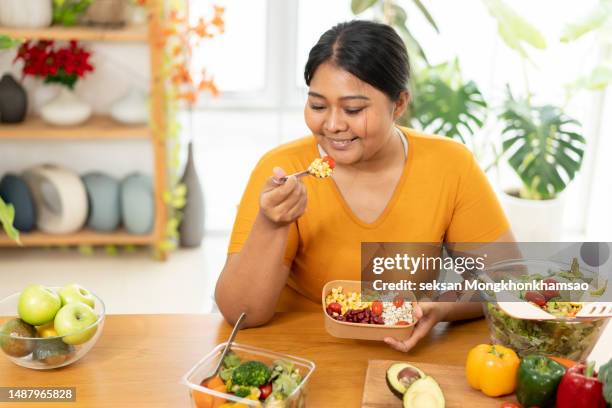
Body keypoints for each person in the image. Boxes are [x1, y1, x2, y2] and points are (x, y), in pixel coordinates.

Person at [215, 20, 514, 352]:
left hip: (402, 351)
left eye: (353, 109)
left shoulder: (450, 166)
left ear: (398, 104)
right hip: (297, 351)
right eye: (317, 106)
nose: (332, 125)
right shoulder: (285, 170)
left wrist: (443, 308)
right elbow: (240, 312)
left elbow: (508, 282)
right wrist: (271, 223)